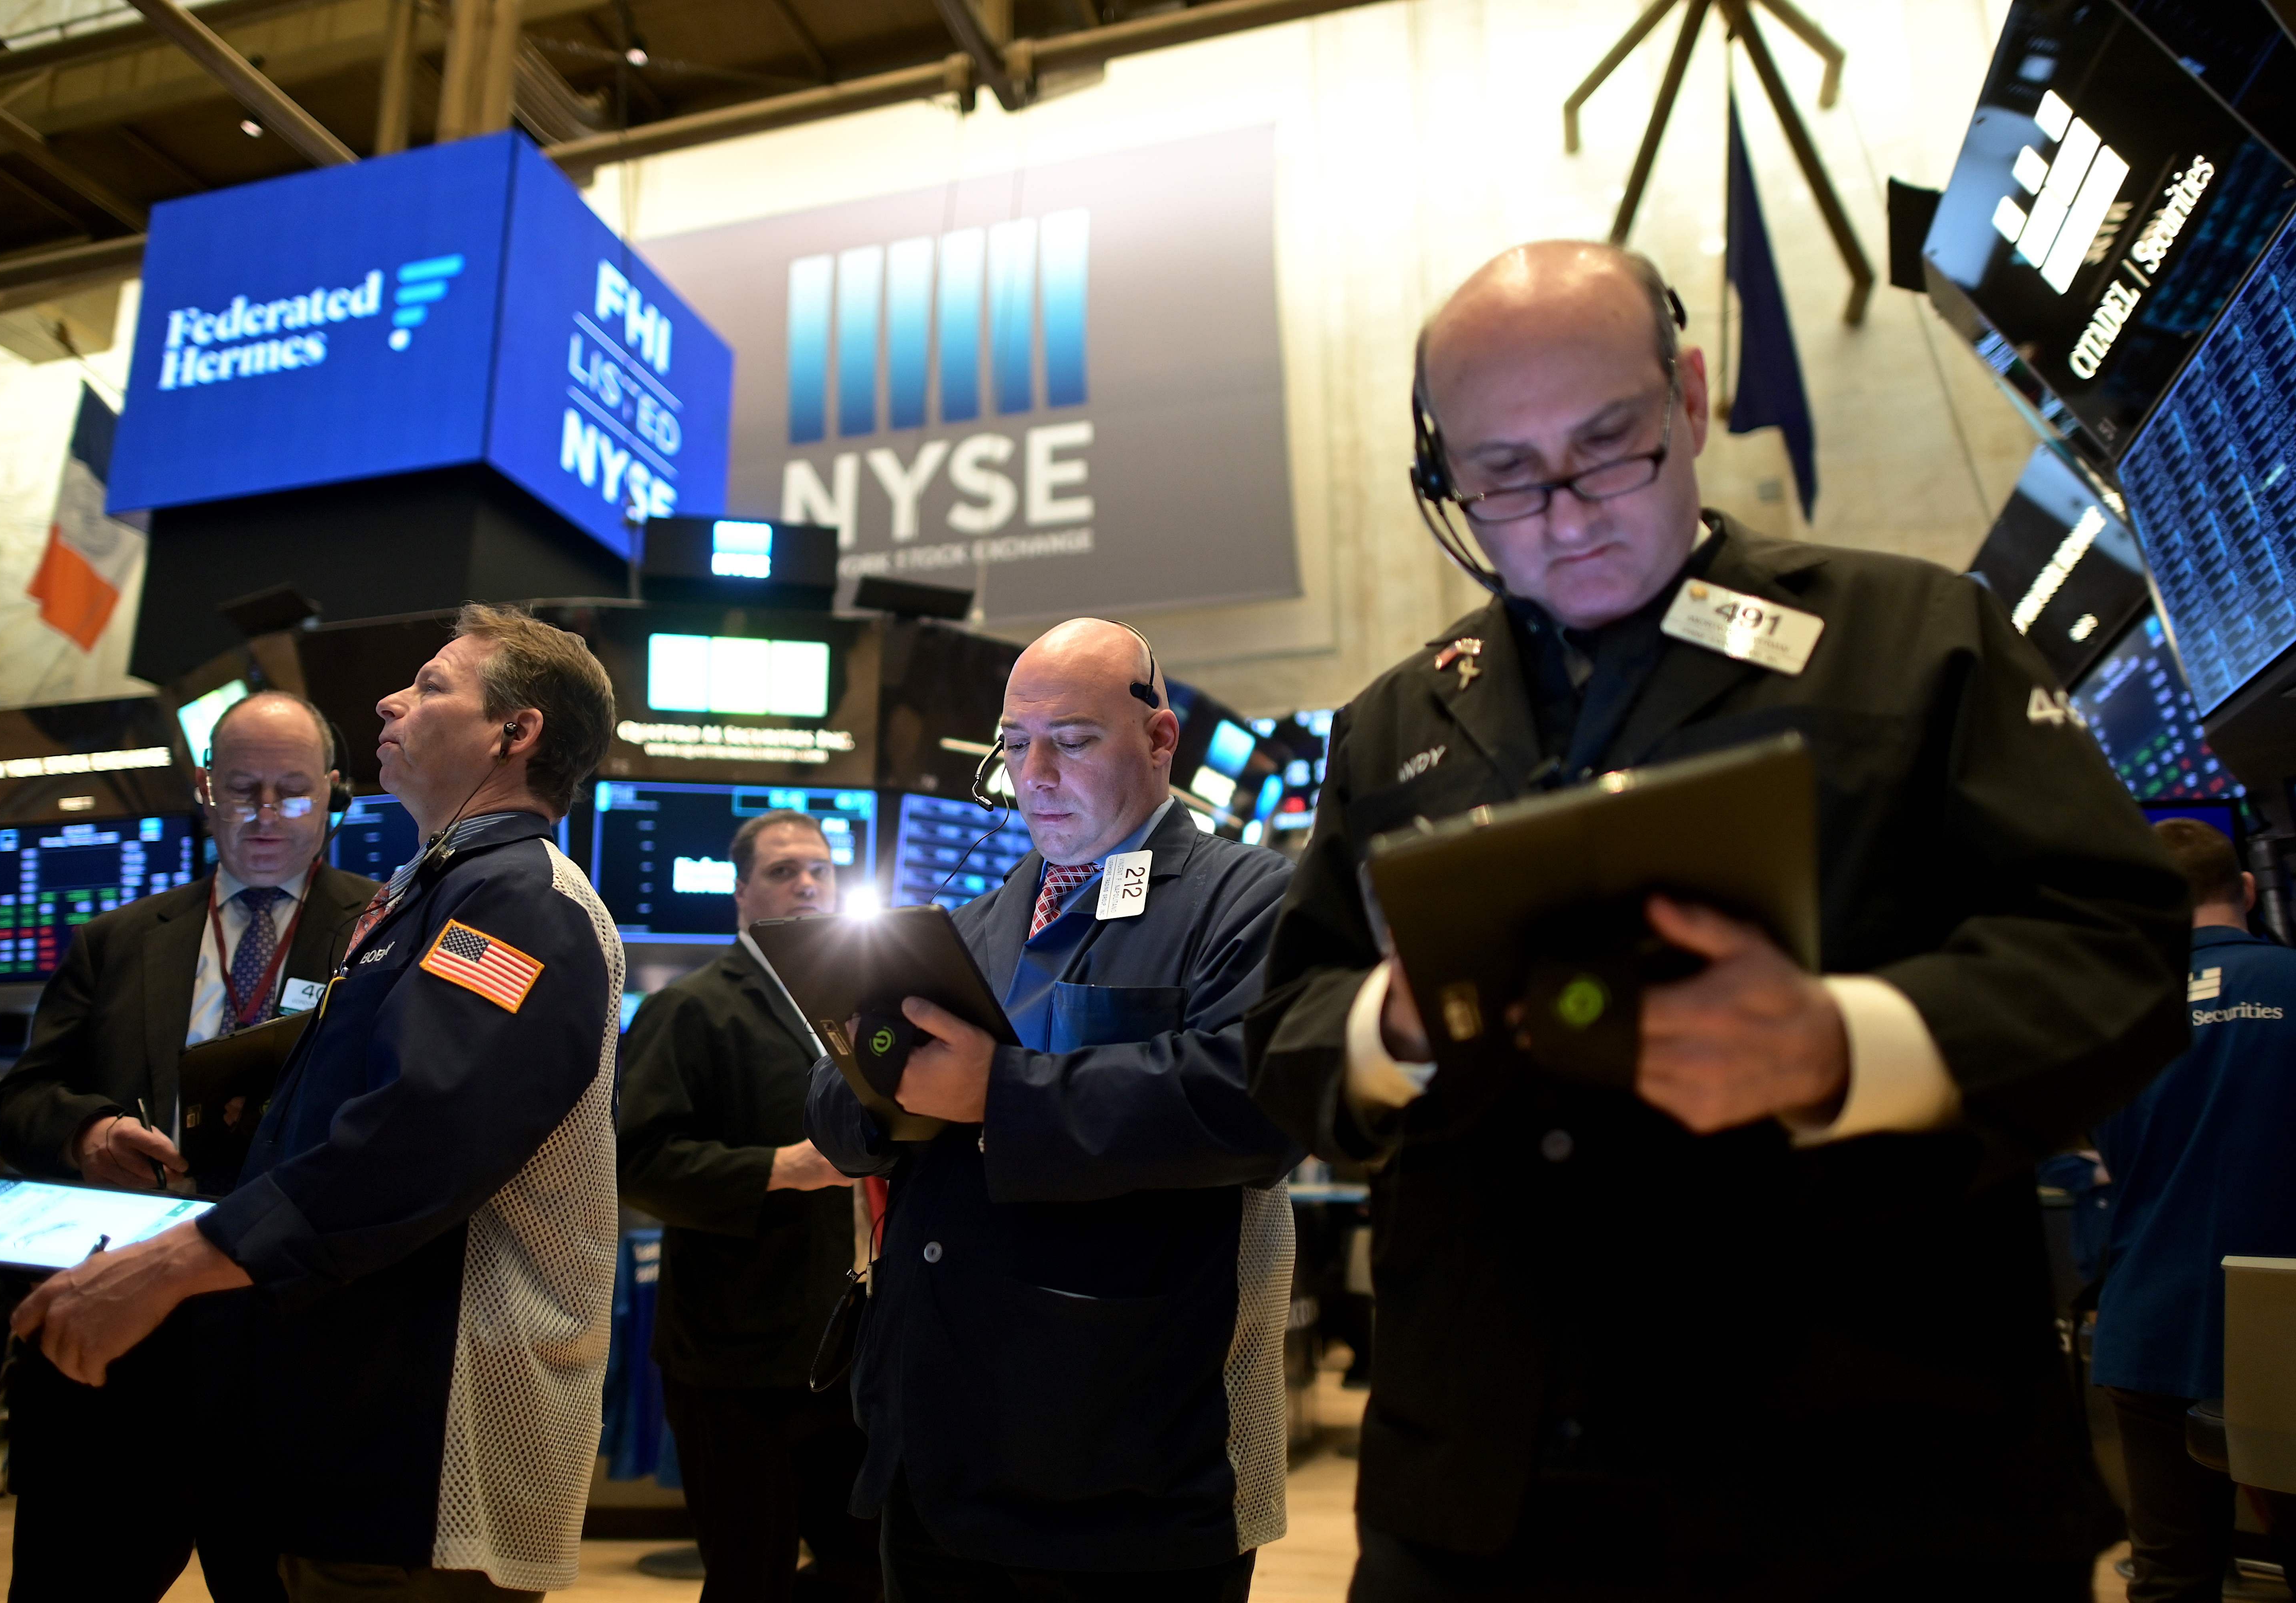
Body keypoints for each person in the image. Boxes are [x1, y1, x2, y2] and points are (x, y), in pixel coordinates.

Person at [1245, 241, 2192, 1602]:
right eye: (1501, 474)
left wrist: (1840, 1043)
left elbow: (2114, 946)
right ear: (1441, 472)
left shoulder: (1913, 638)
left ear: (1685, 397)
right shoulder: (1393, 720)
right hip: (1476, 1494)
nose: (1562, 513)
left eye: (1606, 445)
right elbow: (1279, 1027)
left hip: (1866, 1483)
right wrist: (1387, 1024)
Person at [13, 603, 624, 1603]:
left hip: (429, 1457)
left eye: (432, 685)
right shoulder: (429, 893)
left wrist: (168, 1266)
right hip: (344, 1432)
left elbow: (413, 1138)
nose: (389, 698)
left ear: (517, 733)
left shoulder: (520, 899)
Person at [807, 618, 1304, 1603]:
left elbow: (1252, 1105)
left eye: (1071, 740)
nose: (1035, 771)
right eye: (1014, 740)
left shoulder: (1248, 898)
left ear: (1159, 740)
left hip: (1125, 1461)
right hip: (935, 1449)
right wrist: (873, 1087)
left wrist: (998, 1094)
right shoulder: (974, 918)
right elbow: (832, 1103)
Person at [0, 689, 377, 1603]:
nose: (266, 815)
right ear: (205, 788)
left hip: (291, 1361)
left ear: (334, 794)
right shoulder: (119, 940)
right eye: (243, 789)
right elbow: (22, 1100)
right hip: (120, 1365)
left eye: (290, 790)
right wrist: (86, 1129)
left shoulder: (383, 932)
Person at [618, 807, 881, 1603]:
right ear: (740, 893)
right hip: (736, 1357)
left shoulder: (865, 1005)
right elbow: (639, 1161)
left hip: (852, 1345)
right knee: (748, 1573)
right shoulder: (693, 1008)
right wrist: (782, 1168)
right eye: (782, 870)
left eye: (821, 869)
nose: (807, 883)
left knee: (869, 1565)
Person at [2094, 819, 2296, 1603]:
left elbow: (2114, 1164)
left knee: (2172, 1580)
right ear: (2245, 889)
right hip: (2284, 1328)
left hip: (2151, 1326)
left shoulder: (2113, 1018)